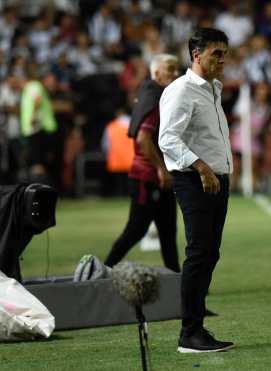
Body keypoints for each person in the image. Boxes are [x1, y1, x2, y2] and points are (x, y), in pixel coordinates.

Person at [159, 28, 234, 353]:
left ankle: (196, 327)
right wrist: (203, 167)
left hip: (215, 179)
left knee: (209, 253)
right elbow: (167, 139)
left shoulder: (213, 89)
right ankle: (189, 333)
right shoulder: (182, 91)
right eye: (216, 53)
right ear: (196, 55)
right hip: (195, 180)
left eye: (225, 53)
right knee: (199, 252)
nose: (222, 59)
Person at [103, 54, 180, 273]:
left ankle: (179, 285)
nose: (176, 74)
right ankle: (102, 270)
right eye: (170, 69)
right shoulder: (155, 100)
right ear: (156, 73)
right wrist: (161, 169)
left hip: (155, 176)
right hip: (148, 177)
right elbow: (143, 139)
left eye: (177, 69)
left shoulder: (151, 95)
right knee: (136, 230)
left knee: (167, 232)